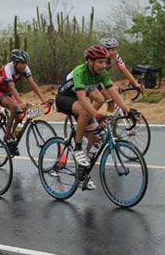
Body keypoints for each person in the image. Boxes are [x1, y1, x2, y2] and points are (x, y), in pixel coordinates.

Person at [55, 45, 140, 188]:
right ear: (90, 61)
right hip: (65, 98)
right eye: (100, 62)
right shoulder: (80, 72)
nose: (104, 65)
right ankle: (77, 147)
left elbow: (113, 93)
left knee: (95, 135)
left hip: (82, 97)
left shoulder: (101, 72)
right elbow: (82, 100)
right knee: (85, 110)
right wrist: (98, 115)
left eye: (104, 61)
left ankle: (82, 173)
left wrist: (128, 111)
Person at [0, 49, 51, 154]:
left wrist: (43, 100)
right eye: (22, 63)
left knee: (20, 116)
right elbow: (12, 87)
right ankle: (7, 136)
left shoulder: (25, 68)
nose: (24, 65)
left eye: (25, 63)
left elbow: (32, 84)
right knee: (14, 106)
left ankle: (13, 139)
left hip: (7, 91)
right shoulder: (7, 69)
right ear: (15, 62)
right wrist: (21, 103)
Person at [96, 38, 143, 113]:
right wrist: (113, 86)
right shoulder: (99, 59)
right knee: (105, 100)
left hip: (102, 79)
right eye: (112, 50)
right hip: (93, 79)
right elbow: (101, 75)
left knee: (112, 101)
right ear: (105, 50)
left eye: (115, 49)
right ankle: (89, 116)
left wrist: (135, 83)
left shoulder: (116, 57)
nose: (115, 52)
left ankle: (108, 118)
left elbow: (124, 70)